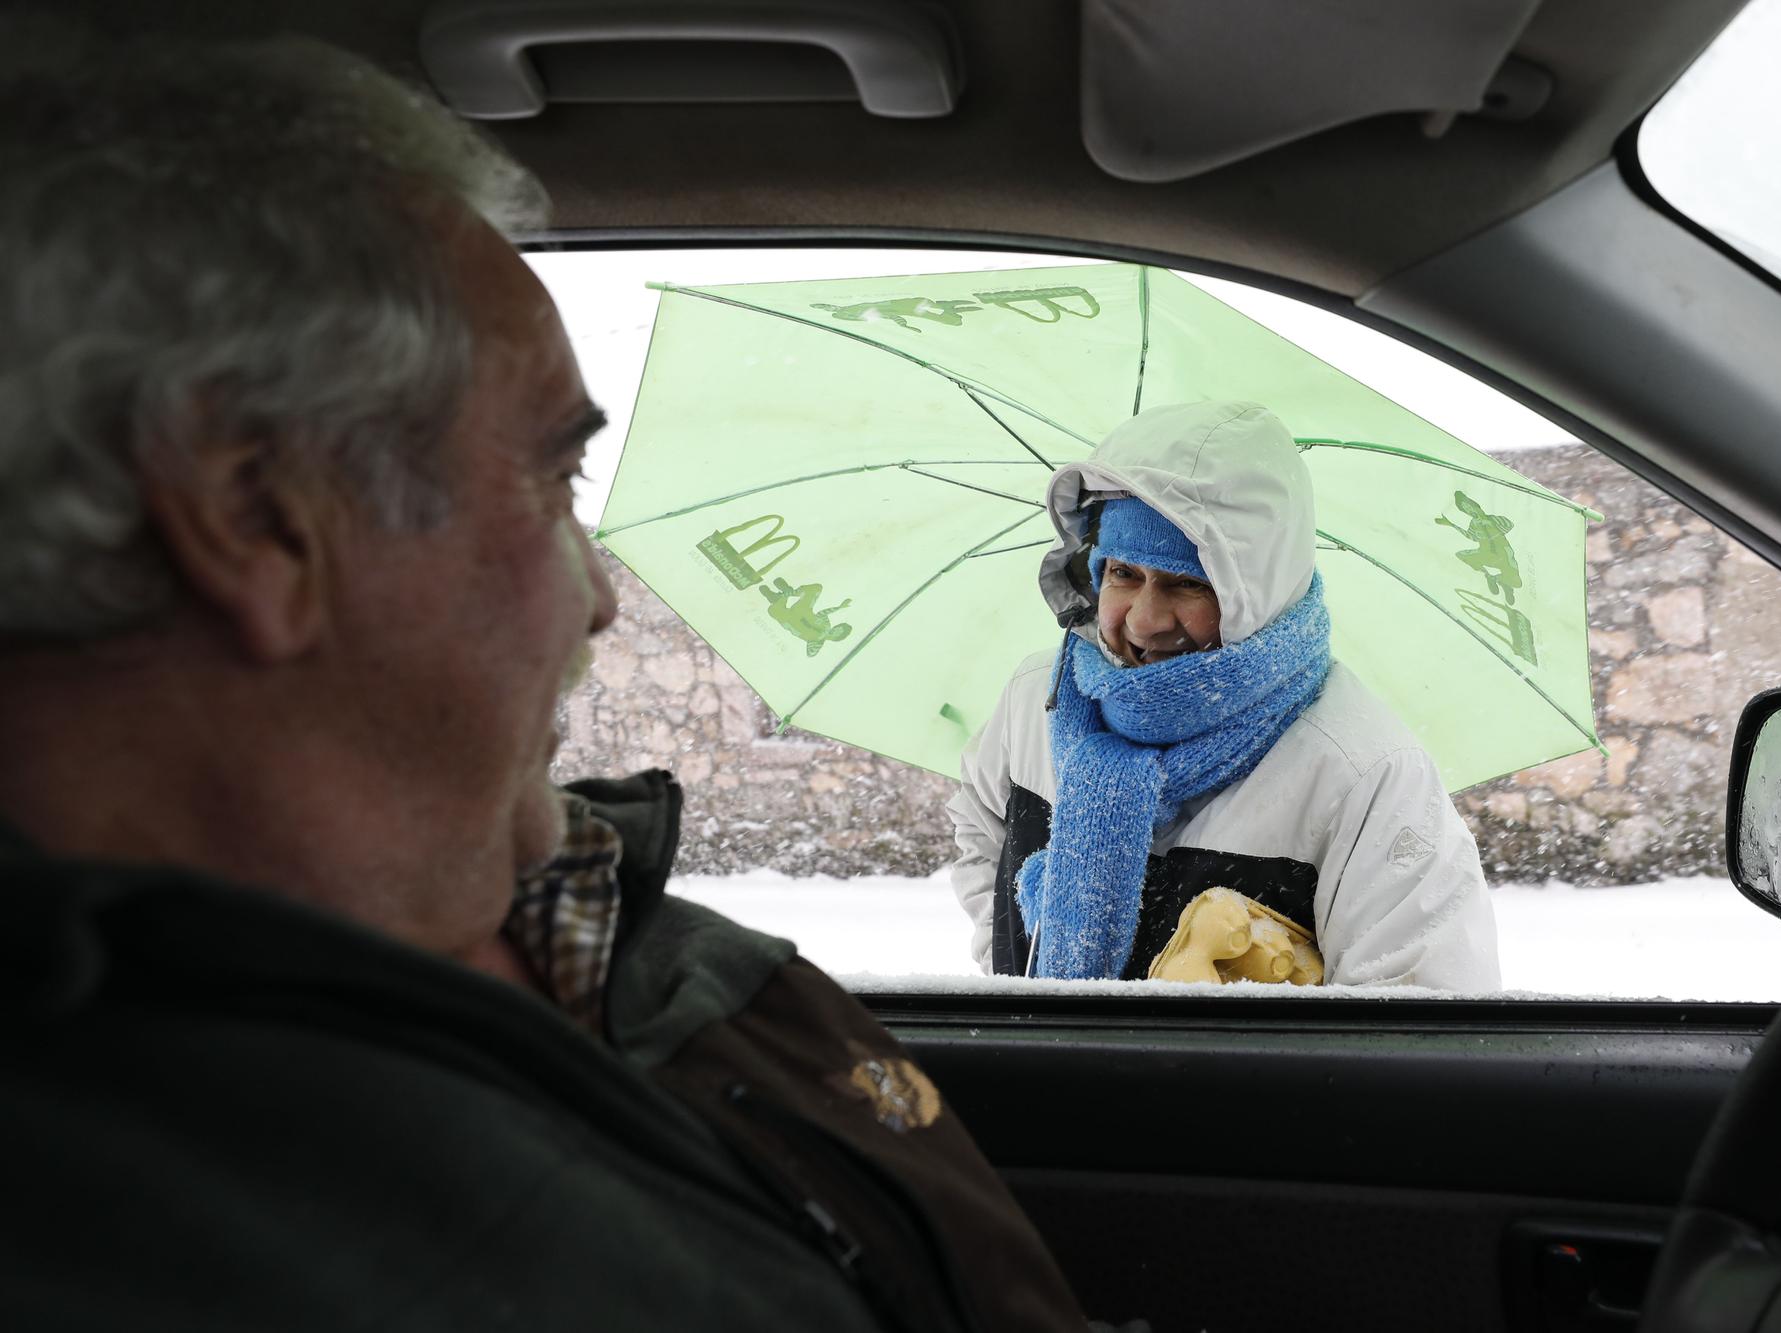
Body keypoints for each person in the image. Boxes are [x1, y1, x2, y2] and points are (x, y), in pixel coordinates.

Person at [0, 32, 1093, 1331]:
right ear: (262, 520)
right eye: (553, 479)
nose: (601, 594)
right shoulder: (174, 1225)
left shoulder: (579, 911)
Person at [947, 400, 1502, 989]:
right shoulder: (1042, 697)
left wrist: (1250, 1034)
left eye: (1188, 584)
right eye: (1122, 574)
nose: (1145, 621)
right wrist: (1015, 975)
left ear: (1254, 593)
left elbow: (1421, 1014)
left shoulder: (1363, 773)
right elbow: (981, 830)